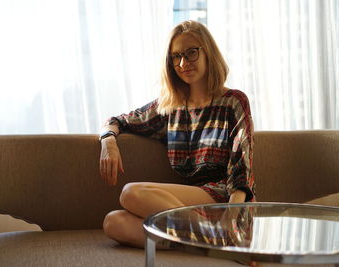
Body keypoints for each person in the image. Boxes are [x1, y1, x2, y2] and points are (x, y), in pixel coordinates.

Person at [99, 20, 255, 248]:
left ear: (208, 52)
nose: (183, 63)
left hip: (225, 200)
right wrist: (108, 141)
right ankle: (207, 242)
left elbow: (242, 169)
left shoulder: (233, 101)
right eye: (176, 56)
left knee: (130, 193)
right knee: (113, 222)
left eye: (191, 53)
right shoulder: (170, 108)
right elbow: (117, 121)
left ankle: (222, 235)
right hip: (189, 203)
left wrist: (232, 218)